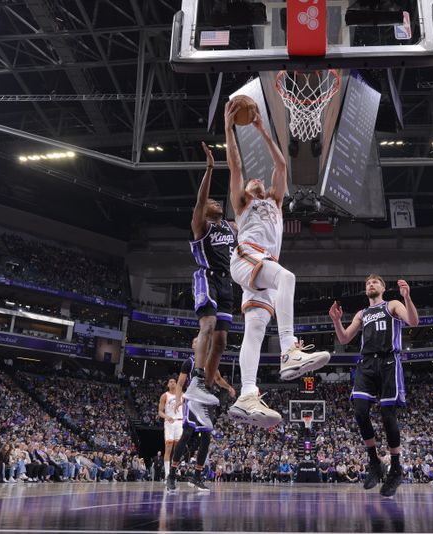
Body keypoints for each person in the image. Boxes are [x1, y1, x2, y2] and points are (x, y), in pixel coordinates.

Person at [223, 99, 331, 427]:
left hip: (261, 268)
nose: (256, 180)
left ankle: (247, 395)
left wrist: (262, 130)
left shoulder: (275, 201)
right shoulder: (244, 203)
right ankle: (289, 350)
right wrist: (229, 130)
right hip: (248, 255)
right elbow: (236, 168)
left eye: (260, 181)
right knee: (288, 278)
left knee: (254, 331)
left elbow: (282, 166)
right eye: (252, 182)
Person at [329, 274, 419, 497]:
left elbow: (413, 321)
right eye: (368, 283)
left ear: (383, 287)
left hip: (389, 361)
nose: (371, 284)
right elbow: (344, 339)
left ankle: (396, 468)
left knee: (388, 416)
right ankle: (374, 462)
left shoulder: (393, 305)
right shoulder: (362, 313)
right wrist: (337, 321)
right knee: (360, 411)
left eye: (375, 282)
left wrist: (407, 298)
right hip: (367, 362)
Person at [183, 142, 238, 410]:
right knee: (207, 325)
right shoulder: (200, 225)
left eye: (218, 201)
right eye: (211, 202)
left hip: (228, 282)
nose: (215, 202)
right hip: (207, 277)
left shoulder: (231, 227)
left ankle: (204, 386)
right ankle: (194, 378)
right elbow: (201, 200)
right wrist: (210, 168)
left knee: (222, 340)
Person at [167, 345, 236, 493]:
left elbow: (217, 379)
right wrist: (178, 399)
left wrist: (229, 387)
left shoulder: (212, 364)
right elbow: (179, 384)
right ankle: (171, 475)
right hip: (192, 401)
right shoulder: (189, 362)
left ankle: (197, 477)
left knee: (206, 439)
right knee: (186, 434)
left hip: (206, 404)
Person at [158, 378, 183, 479]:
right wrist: (166, 416)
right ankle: (167, 474)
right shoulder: (165, 396)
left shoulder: (182, 395)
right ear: (168, 384)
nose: (173, 383)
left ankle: (174, 471)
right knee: (168, 447)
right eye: (171, 382)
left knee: (178, 449)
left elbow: (186, 408)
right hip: (169, 422)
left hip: (180, 421)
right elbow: (160, 411)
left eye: (174, 382)